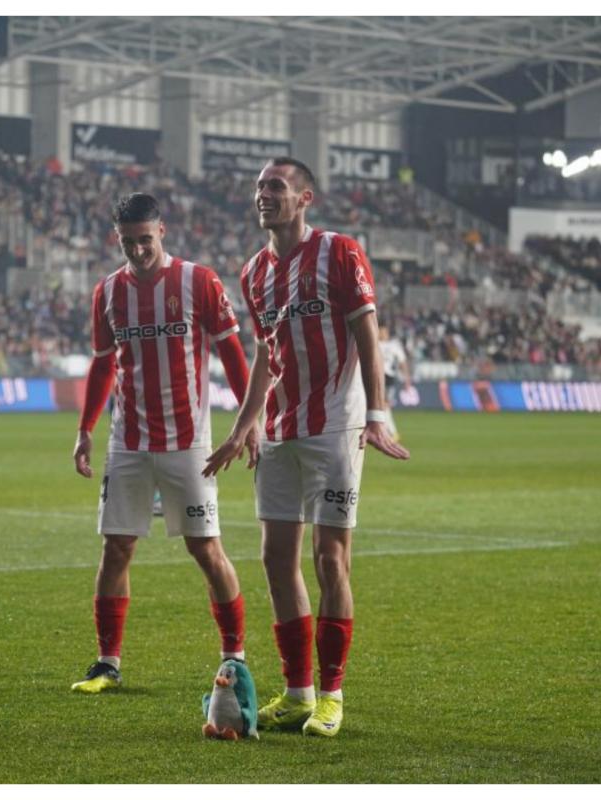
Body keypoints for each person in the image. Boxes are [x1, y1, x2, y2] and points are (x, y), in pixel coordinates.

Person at [204, 157, 410, 737]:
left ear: (304, 198)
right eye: (259, 186)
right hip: (278, 430)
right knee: (275, 559)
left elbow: (367, 331)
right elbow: (269, 354)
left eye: (276, 186)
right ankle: (298, 692)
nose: (264, 194)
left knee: (330, 559)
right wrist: (245, 423)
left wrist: (376, 413)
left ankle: (333, 695)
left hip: (336, 427)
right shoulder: (252, 273)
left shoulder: (340, 251)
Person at [71, 193, 253, 694]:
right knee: (116, 549)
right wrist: (86, 429)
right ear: (117, 238)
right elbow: (104, 363)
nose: (138, 251)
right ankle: (107, 661)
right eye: (128, 242)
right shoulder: (108, 292)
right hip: (127, 442)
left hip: (189, 444)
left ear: (162, 232)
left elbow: (233, 354)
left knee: (205, 548)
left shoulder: (199, 281)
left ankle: (234, 656)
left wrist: (248, 419)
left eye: (145, 240)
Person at [378, 323, 411, 441]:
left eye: (383, 331)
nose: (382, 333)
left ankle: (392, 433)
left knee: (384, 405)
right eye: (380, 331)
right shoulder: (374, 342)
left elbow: (402, 362)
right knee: (380, 406)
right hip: (376, 376)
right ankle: (386, 433)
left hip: (388, 378)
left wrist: (407, 379)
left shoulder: (394, 345)